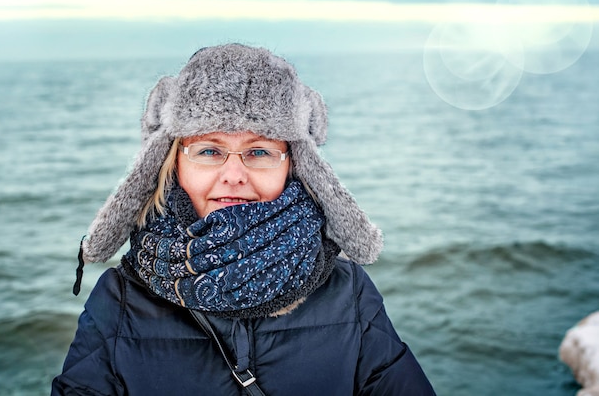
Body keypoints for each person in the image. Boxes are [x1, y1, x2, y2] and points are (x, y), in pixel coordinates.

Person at [51, 43, 436, 395]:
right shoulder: (119, 300)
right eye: (208, 151)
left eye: (259, 152)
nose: (233, 174)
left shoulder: (348, 292)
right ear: (173, 163)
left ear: (294, 165)